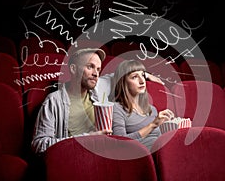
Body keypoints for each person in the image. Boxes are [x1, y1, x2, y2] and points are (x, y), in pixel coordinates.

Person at [31, 48, 164, 155]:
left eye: (98, 69)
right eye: (90, 67)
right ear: (73, 69)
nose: (96, 73)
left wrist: (145, 75)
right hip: (75, 156)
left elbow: (120, 75)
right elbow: (39, 144)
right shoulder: (54, 101)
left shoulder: (98, 89)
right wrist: (88, 138)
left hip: (106, 153)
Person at [112, 59, 175, 150]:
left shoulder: (152, 109)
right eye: (134, 77)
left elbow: (158, 139)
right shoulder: (117, 108)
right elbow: (120, 142)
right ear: (123, 82)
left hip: (160, 152)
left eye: (143, 75)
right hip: (140, 155)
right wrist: (152, 125)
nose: (142, 81)